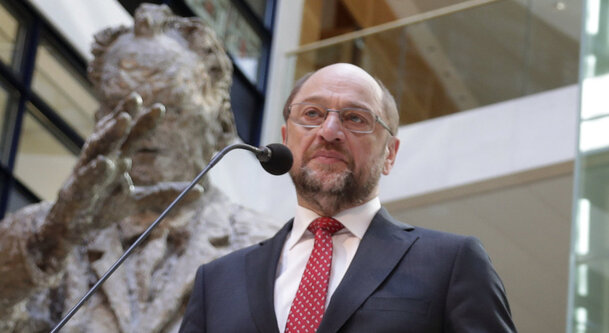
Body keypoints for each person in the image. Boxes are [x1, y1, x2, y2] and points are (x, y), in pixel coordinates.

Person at [0, 4, 277, 332]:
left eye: (168, 108)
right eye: (122, 106)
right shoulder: (49, 238)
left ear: (220, 126)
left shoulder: (266, 249)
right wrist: (51, 238)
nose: (142, 126)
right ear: (99, 120)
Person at [179, 63, 517, 332]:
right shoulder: (217, 281)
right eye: (312, 114)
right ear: (286, 138)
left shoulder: (453, 263)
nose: (329, 132)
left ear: (390, 154)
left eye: (355, 118)